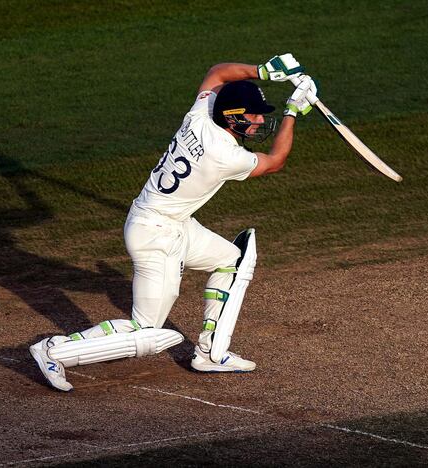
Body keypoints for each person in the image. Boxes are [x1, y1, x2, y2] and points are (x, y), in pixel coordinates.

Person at [30, 54, 316, 391]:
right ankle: (55, 350)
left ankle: (211, 353)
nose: (257, 122)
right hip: (155, 235)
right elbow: (276, 161)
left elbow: (216, 72)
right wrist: (293, 111)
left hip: (173, 223)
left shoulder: (201, 113)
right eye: (253, 116)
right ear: (233, 117)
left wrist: (265, 72)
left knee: (232, 261)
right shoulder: (224, 156)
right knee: (148, 333)